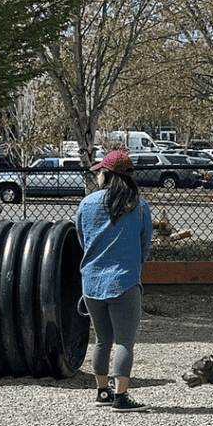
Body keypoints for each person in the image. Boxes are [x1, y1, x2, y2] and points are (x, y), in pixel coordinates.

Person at [75, 149, 154, 412]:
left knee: (101, 340)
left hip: (92, 282)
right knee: (124, 342)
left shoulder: (87, 204)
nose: (97, 174)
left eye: (99, 171)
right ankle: (121, 397)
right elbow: (145, 248)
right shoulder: (139, 206)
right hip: (125, 280)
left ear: (106, 174)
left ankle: (102, 393)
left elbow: (82, 240)